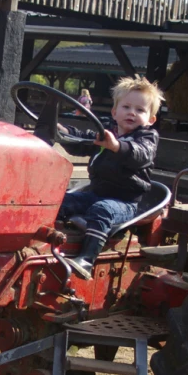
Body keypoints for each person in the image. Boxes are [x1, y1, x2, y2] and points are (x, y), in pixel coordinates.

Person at [57, 76, 164, 279]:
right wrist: (63, 131)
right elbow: (83, 140)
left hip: (124, 202)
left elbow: (140, 154)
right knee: (61, 200)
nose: (132, 112)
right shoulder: (106, 131)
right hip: (95, 193)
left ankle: (86, 260)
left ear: (151, 119)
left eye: (140, 110)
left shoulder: (147, 138)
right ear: (115, 112)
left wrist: (116, 146)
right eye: (126, 107)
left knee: (103, 209)